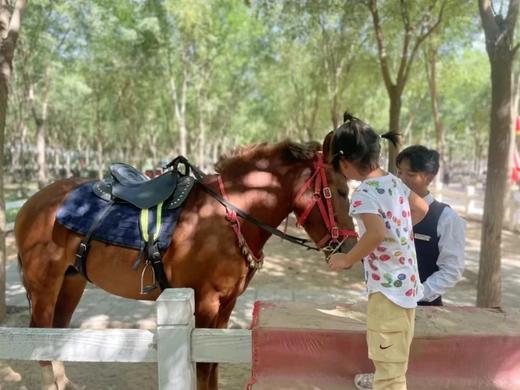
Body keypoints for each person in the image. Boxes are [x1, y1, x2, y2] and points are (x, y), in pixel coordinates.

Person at [327, 113, 429, 390]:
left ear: (344, 162)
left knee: (389, 375)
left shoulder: (363, 194)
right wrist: (401, 231)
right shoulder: (395, 182)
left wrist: (347, 258)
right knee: (395, 364)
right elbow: (422, 209)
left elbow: (375, 234)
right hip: (407, 287)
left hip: (387, 292)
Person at [396, 145, 466, 306]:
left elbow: (451, 270)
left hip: (425, 309)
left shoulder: (446, 218)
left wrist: (416, 294)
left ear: (429, 177)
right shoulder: (390, 211)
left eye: (410, 174)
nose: (401, 179)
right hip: (387, 303)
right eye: (399, 172)